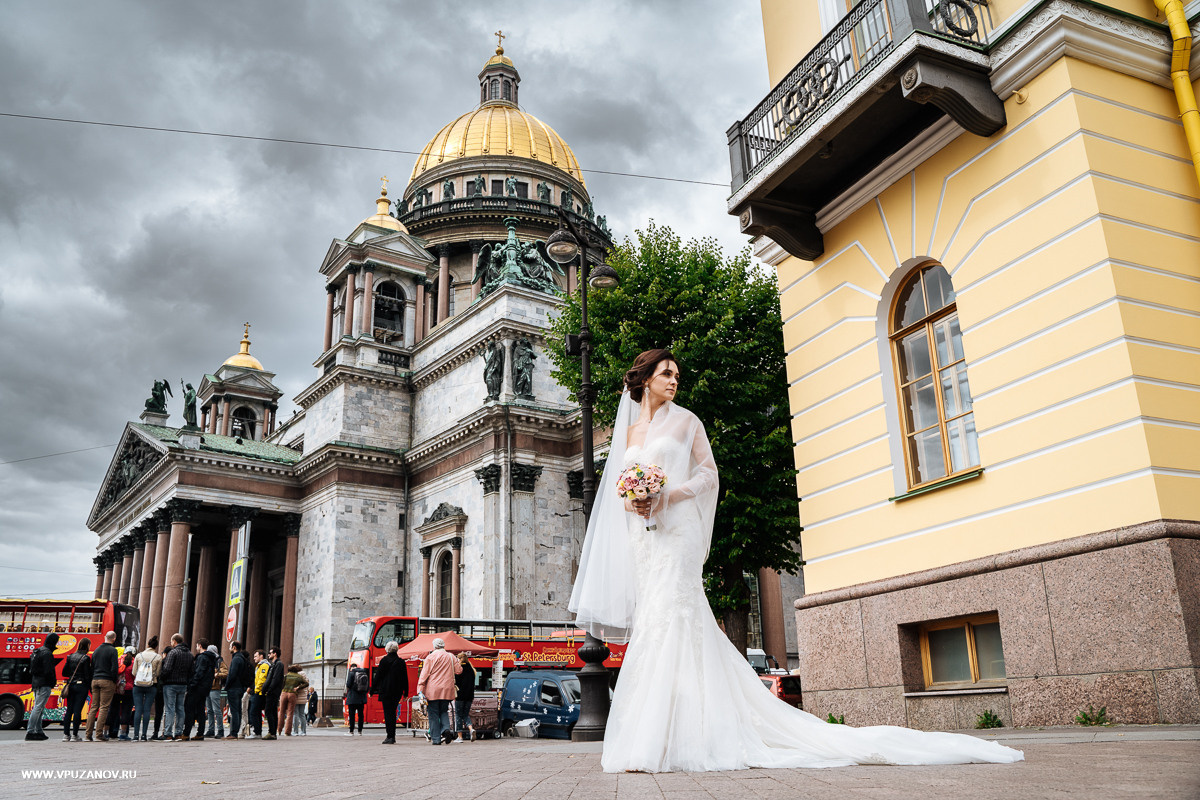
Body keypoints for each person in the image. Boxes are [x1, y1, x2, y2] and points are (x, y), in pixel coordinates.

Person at [569, 349, 1026, 773]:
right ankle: (666, 735)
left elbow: (709, 475)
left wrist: (669, 494)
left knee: (674, 612)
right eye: (666, 374)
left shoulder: (688, 422)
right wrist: (640, 502)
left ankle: (671, 739)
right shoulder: (631, 432)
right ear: (646, 379)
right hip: (645, 537)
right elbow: (621, 494)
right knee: (658, 620)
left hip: (678, 533)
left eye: (677, 375)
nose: (674, 380)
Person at [415, 638, 460, 746]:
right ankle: (445, 730)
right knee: (444, 711)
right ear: (443, 646)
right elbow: (459, 670)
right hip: (447, 690)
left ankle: (436, 739)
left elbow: (424, 675)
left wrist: (420, 689)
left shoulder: (430, 657)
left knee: (433, 714)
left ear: (434, 646)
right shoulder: (451, 656)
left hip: (433, 690)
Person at [84, 630, 119, 742]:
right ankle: (99, 734)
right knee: (104, 707)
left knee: (94, 707)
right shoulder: (113, 650)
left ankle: (88, 735)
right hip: (107, 680)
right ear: (114, 639)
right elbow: (114, 668)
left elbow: (92, 667)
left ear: (105, 637)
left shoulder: (97, 650)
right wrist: (114, 681)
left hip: (95, 679)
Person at [372, 640, 408, 744]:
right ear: (397, 649)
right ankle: (393, 736)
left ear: (387, 649)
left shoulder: (384, 661)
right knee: (393, 712)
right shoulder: (401, 662)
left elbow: (378, 676)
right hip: (397, 691)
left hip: (386, 691)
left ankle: (390, 736)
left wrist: (372, 690)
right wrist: (406, 693)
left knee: (388, 714)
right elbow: (404, 678)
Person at [158, 634, 192, 741]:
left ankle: (168, 733)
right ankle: (178, 733)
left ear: (174, 641)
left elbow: (167, 668)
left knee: (169, 708)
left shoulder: (173, 652)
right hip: (183, 685)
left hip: (170, 684)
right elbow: (192, 671)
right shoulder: (190, 654)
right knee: (180, 709)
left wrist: (162, 677)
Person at [26, 632, 59, 740]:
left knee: (39, 708)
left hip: (36, 683)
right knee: (38, 707)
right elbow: (48, 671)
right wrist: (52, 682)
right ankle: (31, 731)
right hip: (44, 684)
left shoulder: (38, 651)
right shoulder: (47, 653)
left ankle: (39, 731)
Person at [184, 639, 216, 740]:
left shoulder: (202, 657)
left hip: (197, 687)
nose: (196, 648)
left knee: (189, 709)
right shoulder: (211, 658)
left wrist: (192, 685)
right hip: (205, 688)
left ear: (200, 646)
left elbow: (199, 672)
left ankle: (186, 733)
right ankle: (200, 733)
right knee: (201, 710)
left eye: (197, 646)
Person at [131, 636, 161, 742]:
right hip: (151, 684)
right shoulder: (158, 657)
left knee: (138, 709)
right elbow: (158, 673)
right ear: (156, 646)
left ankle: (135, 735)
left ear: (148, 645)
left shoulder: (139, 656)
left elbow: (134, 672)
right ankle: (144, 735)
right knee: (147, 710)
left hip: (138, 684)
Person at [62, 638, 93, 742]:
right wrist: (90, 687)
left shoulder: (70, 656)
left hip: (70, 685)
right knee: (77, 711)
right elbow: (87, 675)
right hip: (81, 686)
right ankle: (75, 735)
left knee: (69, 710)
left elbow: (64, 672)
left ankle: (66, 735)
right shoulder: (85, 658)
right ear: (87, 646)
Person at [225, 641, 250, 741]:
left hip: (234, 688)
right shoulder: (242, 658)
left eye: (230, 646)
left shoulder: (236, 659)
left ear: (234, 647)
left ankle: (233, 733)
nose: (229, 648)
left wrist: (227, 686)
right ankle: (234, 732)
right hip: (240, 687)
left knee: (235, 711)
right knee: (237, 710)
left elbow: (232, 674)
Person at [109, 651, 134, 740]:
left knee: (113, 709)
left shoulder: (118, 660)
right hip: (128, 689)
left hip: (117, 688)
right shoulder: (133, 661)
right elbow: (134, 675)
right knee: (126, 711)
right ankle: (123, 734)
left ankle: (109, 732)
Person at [277, 664, 308, 736]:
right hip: (292, 694)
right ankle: (287, 732)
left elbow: (281, 684)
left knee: (281, 712)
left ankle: (279, 730)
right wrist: (298, 687)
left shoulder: (286, 676)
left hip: (284, 693)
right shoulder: (299, 677)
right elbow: (306, 683)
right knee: (290, 713)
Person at [205, 645, 227, 739]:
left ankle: (220, 730)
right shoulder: (208, 660)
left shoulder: (219, 661)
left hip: (215, 688)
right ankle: (211, 730)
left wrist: (216, 675)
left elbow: (225, 673)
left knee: (216, 710)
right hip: (208, 687)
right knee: (209, 710)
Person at [262, 646, 284, 740]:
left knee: (269, 711)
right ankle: (273, 732)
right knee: (272, 712)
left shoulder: (278, 664)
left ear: (275, 654)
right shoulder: (274, 664)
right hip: (272, 690)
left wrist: (269, 689)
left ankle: (271, 732)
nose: (268, 655)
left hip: (273, 691)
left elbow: (275, 678)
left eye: (270, 653)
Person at [454, 652, 476, 742]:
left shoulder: (459, 670)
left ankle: (460, 737)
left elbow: (455, 682)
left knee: (458, 715)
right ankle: (471, 729)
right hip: (470, 696)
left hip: (460, 696)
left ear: (459, 659)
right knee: (465, 714)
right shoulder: (471, 670)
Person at [248, 649, 269, 739]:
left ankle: (257, 732)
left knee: (254, 712)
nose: (254, 658)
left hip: (259, 692)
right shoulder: (259, 666)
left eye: (256, 656)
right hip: (257, 691)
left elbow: (262, 679)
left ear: (261, 656)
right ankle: (257, 732)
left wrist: (256, 689)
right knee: (255, 712)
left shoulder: (264, 665)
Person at [345, 661, 368, 736]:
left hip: (352, 698)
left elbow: (348, 684)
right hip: (361, 698)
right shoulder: (364, 673)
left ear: (351, 668)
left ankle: (351, 731)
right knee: (360, 715)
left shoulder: (351, 673)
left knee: (352, 715)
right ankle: (360, 731)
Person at [291, 667, 310, 736]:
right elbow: (307, 688)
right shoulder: (306, 678)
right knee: (302, 715)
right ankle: (303, 731)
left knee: (295, 714)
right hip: (303, 698)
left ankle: (295, 731)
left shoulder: (296, 677)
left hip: (296, 697)